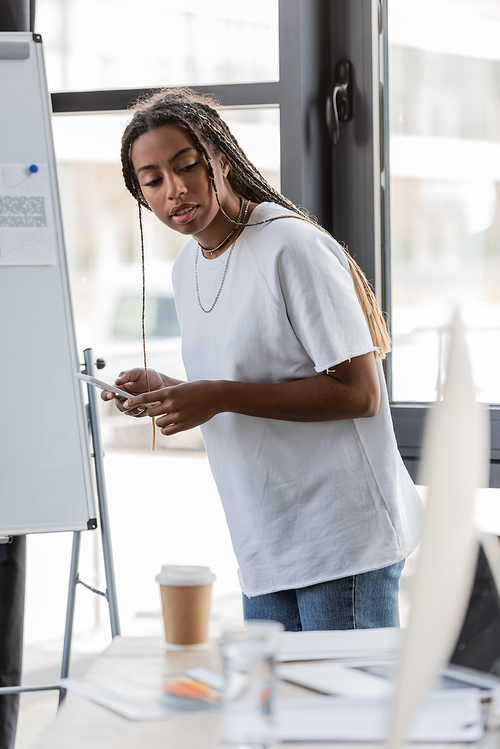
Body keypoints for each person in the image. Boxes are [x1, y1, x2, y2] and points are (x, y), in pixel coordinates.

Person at [102, 87, 423, 632]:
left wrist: (218, 395)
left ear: (220, 163)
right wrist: (171, 387)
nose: (175, 190)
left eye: (187, 167)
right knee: (279, 715)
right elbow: (250, 376)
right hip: (266, 542)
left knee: (340, 716)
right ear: (141, 195)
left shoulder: (288, 246)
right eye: (153, 180)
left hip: (341, 539)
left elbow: (359, 393)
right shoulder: (187, 268)